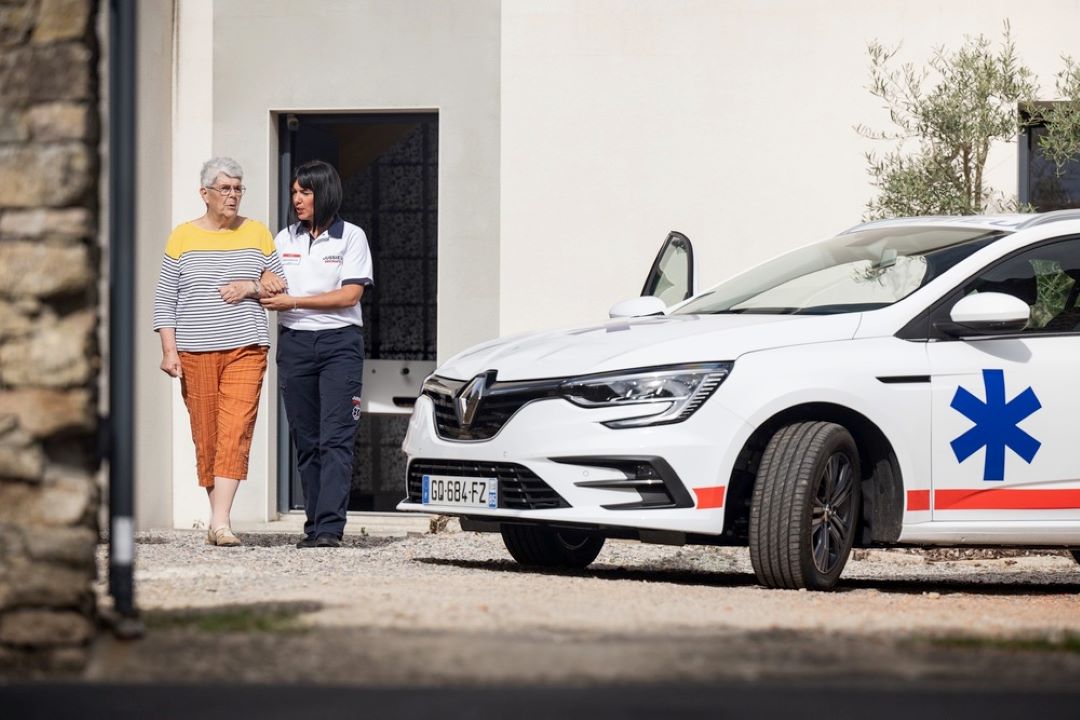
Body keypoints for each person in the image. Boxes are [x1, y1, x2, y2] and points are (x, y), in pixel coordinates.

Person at [153, 157, 286, 547]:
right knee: (207, 434)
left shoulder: (257, 233)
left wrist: (251, 287)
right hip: (195, 351)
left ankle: (221, 521)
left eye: (238, 188)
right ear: (205, 193)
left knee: (236, 429)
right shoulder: (182, 237)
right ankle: (218, 521)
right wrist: (169, 350)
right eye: (225, 188)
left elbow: (279, 285)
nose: (233, 195)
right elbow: (165, 299)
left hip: (247, 346)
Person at [260, 160, 373, 549]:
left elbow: (350, 295)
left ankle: (330, 529)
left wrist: (293, 301)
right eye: (294, 192)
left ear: (323, 193)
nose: (297, 199)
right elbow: (267, 278)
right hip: (295, 345)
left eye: (305, 192)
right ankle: (313, 525)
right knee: (306, 439)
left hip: (339, 344)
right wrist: (264, 279)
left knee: (336, 438)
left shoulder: (351, 237)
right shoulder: (284, 239)